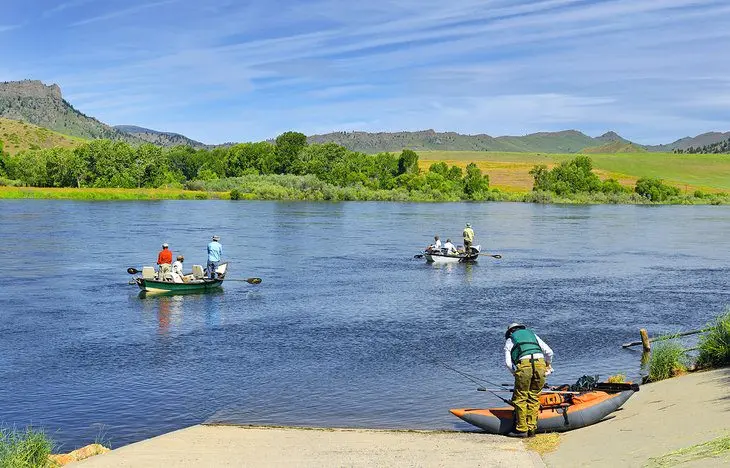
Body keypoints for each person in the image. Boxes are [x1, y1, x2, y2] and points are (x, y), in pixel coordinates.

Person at [504, 323, 554, 438]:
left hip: (524, 367)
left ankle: (521, 430)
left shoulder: (510, 340)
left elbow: (508, 363)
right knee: (534, 396)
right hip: (540, 364)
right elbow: (549, 352)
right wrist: (547, 364)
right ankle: (532, 429)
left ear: (510, 332)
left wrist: (515, 373)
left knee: (520, 398)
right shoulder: (533, 335)